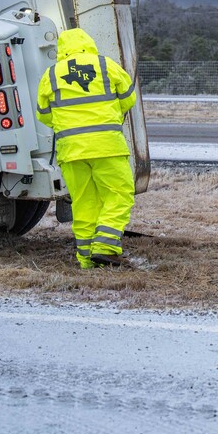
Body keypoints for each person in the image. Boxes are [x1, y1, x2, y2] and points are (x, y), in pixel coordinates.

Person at [35, 28, 138, 269]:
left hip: (71, 151)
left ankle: (86, 259)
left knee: (83, 203)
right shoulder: (105, 65)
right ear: (89, 43)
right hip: (107, 146)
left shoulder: (51, 74)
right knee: (118, 194)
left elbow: (44, 115)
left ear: (62, 49)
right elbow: (128, 99)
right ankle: (105, 247)